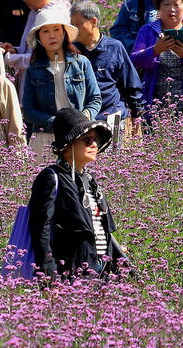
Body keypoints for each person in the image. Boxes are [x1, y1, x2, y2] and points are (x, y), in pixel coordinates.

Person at [27, 108, 127, 281]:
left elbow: (102, 229)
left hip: (100, 271)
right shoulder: (51, 178)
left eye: (96, 139)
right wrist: (48, 278)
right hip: (70, 273)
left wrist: (124, 268)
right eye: (87, 140)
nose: (94, 144)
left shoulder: (89, 179)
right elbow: (40, 231)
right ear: (68, 144)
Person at [22, 6, 100, 153]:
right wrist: (56, 123)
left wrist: (81, 119)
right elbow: (28, 110)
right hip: (45, 138)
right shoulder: (34, 69)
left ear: (64, 33)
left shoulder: (81, 63)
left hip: (79, 135)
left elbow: (95, 99)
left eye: (56, 29)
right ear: (39, 37)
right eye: (45, 31)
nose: (52, 36)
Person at [71, 1, 141, 122]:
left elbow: (130, 83)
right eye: (72, 25)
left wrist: (136, 113)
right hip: (82, 119)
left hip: (112, 117)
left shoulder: (114, 48)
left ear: (94, 22)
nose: (75, 30)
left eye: (78, 25)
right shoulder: (72, 51)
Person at [4, 0, 71, 80]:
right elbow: (31, 47)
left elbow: (47, 57)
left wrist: (11, 58)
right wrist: (16, 50)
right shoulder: (34, 11)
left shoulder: (54, 15)